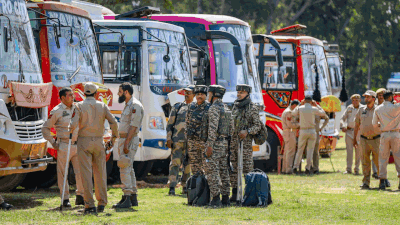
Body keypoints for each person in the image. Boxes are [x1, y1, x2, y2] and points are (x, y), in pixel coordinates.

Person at [69, 82, 119, 214]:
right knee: (101, 174)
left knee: (86, 174)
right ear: (96, 94)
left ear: (84, 94)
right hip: (98, 140)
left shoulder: (78, 106)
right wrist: (113, 138)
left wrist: (70, 133)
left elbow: (73, 124)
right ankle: (102, 203)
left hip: (84, 141)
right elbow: (113, 122)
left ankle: (89, 205)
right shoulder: (102, 105)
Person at [42, 87, 84, 207]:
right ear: (62, 98)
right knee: (63, 173)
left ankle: (80, 196)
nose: (73, 97)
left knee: (80, 172)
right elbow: (45, 128)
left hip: (78, 144)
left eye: (73, 95)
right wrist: (54, 143)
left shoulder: (77, 108)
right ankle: (65, 199)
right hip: (64, 144)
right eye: (70, 95)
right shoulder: (57, 111)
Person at [112, 83, 144, 208]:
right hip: (126, 139)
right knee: (128, 168)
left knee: (124, 167)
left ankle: (126, 198)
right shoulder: (129, 104)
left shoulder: (135, 105)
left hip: (128, 140)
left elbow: (134, 126)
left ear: (126, 92)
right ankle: (132, 197)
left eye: (119, 91)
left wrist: (126, 143)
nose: (118, 94)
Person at [229, 84, 262, 201]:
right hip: (233, 142)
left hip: (245, 144)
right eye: (238, 92)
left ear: (247, 94)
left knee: (247, 169)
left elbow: (257, 126)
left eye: (241, 93)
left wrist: (247, 131)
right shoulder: (235, 106)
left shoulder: (252, 107)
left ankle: (249, 194)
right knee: (233, 168)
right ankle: (234, 193)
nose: (239, 94)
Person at [204, 85, 231, 207]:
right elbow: (231, 129)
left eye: (209, 94)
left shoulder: (214, 108)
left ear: (214, 94)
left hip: (215, 144)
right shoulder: (226, 108)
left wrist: (209, 145)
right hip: (224, 143)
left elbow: (212, 129)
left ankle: (215, 199)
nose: (208, 96)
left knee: (212, 171)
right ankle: (226, 198)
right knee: (224, 170)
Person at [166, 85, 195, 196]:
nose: (187, 94)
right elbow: (170, 125)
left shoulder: (197, 108)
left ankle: (185, 187)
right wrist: (169, 138)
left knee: (188, 165)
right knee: (175, 164)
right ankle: (172, 186)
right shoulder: (178, 107)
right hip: (177, 141)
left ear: (194, 95)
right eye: (185, 92)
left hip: (191, 142)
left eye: (189, 92)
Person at [291, 96, 328, 175]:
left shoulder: (300, 108)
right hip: (312, 130)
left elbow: (293, 113)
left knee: (300, 150)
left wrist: (300, 104)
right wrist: (316, 105)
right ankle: (307, 168)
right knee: (310, 151)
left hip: (303, 130)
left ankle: (295, 167)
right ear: (311, 101)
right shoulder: (314, 109)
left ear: (304, 101)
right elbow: (323, 113)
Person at [372, 90, 400, 190]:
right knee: (398, 157)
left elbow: (374, 124)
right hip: (396, 133)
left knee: (383, 158)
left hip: (384, 134)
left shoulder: (378, 109)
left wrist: (381, 130)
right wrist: (398, 95)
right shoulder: (396, 107)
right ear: (390, 97)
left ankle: (382, 181)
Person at [354, 90, 381, 189]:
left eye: (368, 97)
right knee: (365, 162)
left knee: (378, 161)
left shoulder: (378, 109)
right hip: (363, 139)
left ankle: (382, 181)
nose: (366, 99)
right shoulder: (361, 110)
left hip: (376, 139)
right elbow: (356, 125)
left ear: (373, 98)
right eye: (365, 97)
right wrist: (354, 139)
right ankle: (366, 182)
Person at [185, 85, 210, 175]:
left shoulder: (209, 107)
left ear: (206, 95)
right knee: (195, 167)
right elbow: (187, 123)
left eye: (202, 94)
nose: (199, 96)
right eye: (198, 94)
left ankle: (207, 187)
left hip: (204, 142)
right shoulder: (191, 106)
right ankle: (197, 187)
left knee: (207, 167)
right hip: (192, 141)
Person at [340, 94, 362, 175]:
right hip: (349, 131)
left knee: (358, 152)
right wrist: (342, 125)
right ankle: (348, 169)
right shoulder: (349, 107)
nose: (354, 102)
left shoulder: (363, 108)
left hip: (359, 132)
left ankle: (357, 169)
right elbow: (342, 118)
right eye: (353, 100)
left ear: (360, 100)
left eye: (356, 100)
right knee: (349, 151)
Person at [282, 100, 300, 174]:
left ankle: (285, 169)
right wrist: (299, 125)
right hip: (290, 132)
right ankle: (289, 169)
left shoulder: (287, 111)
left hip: (287, 133)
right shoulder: (289, 112)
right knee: (290, 152)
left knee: (286, 152)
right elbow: (290, 125)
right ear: (294, 105)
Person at [312, 102, 329, 174]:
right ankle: (309, 167)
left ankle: (316, 168)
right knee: (308, 151)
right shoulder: (306, 109)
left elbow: (326, 118)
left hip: (315, 132)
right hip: (308, 132)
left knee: (315, 152)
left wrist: (321, 128)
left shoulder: (318, 111)